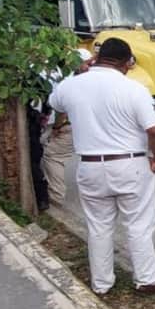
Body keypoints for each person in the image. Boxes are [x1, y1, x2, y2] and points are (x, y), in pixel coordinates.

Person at [49, 38, 155, 295]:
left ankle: (102, 284)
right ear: (126, 63)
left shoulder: (71, 86)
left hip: (90, 166)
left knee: (99, 226)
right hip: (131, 164)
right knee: (139, 224)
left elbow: (55, 103)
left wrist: (79, 70)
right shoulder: (133, 89)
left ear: (97, 59)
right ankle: (147, 280)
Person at [41, 49, 90, 208]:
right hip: (88, 126)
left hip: (70, 126)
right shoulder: (96, 81)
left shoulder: (68, 82)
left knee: (53, 155)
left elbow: (61, 109)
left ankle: (56, 196)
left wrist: (57, 127)